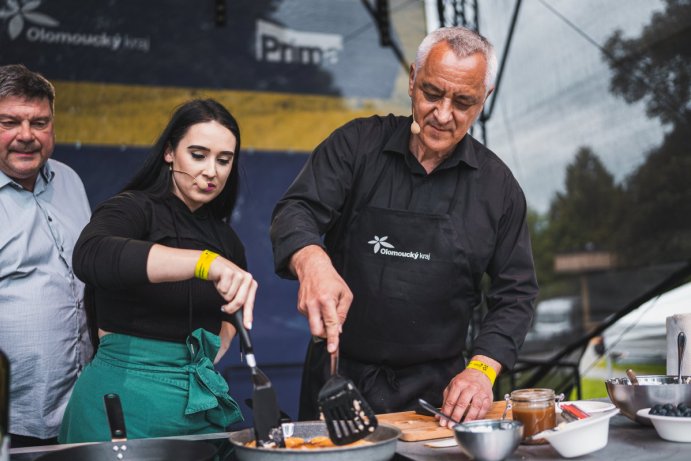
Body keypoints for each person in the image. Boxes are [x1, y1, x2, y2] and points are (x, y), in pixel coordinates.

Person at [270, 26, 538, 426]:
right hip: (339, 381)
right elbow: (296, 210)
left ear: (485, 99)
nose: (443, 114)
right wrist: (312, 260)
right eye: (432, 93)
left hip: (438, 398)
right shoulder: (356, 145)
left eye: (463, 101)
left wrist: (482, 371)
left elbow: (515, 293)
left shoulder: (498, 188)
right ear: (412, 79)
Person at [59, 98, 257, 443]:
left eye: (224, 160)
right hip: (121, 404)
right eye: (198, 155)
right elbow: (91, 255)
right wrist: (203, 263)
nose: (212, 171)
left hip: (197, 408)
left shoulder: (227, 239)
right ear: (169, 152)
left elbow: (229, 315)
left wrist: (201, 360)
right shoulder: (132, 208)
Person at [0, 64, 92, 447]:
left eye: (39, 122)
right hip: (12, 418)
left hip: (80, 408)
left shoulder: (70, 180)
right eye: (9, 122)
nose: (26, 136)